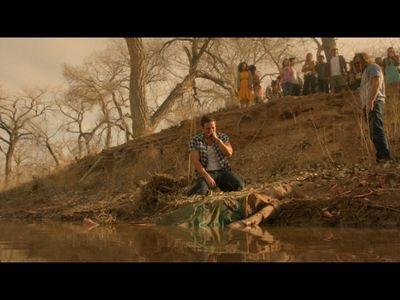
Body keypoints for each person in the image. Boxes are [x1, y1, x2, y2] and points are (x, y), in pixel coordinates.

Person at [188, 115, 245, 196]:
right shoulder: (195, 140)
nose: (211, 130)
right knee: (201, 193)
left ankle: (221, 187)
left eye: (213, 128)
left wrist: (218, 140)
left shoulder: (222, 137)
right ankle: (195, 190)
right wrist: (207, 177)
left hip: (222, 171)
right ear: (202, 128)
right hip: (206, 173)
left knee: (239, 186)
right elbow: (195, 161)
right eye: (208, 128)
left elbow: (229, 153)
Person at [156, 192, 280, 228]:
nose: (279, 187)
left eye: (284, 188)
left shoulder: (274, 204)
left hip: (229, 212)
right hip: (222, 203)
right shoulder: (266, 195)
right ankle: (159, 223)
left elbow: (256, 218)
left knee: (195, 221)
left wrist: (243, 223)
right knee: (192, 209)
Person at [355, 52, 391, 163]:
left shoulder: (372, 67)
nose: (357, 64)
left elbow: (376, 83)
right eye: (355, 63)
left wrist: (371, 102)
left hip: (375, 102)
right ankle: (381, 157)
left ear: (364, 59)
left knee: (376, 129)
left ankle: (385, 157)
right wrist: (364, 106)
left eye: (358, 61)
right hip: (369, 104)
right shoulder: (364, 73)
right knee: (373, 132)